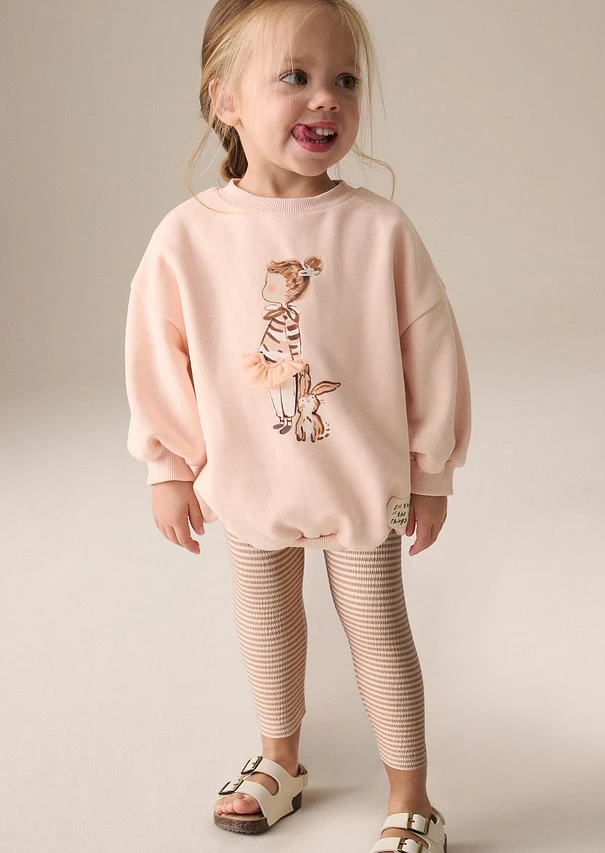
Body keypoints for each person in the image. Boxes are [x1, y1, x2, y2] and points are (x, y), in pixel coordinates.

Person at [124, 1, 471, 850]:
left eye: (344, 80)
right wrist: (169, 465)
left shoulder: (379, 229)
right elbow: (160, 354)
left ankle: (413, 795)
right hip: (249, 482)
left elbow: (430, 351)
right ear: (225, 99)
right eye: (296, 76)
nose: (326, 99)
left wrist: (431, 471)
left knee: (379, 631)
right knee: (269, 626)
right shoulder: (188, 237)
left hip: (360, 483)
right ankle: (281, 759)